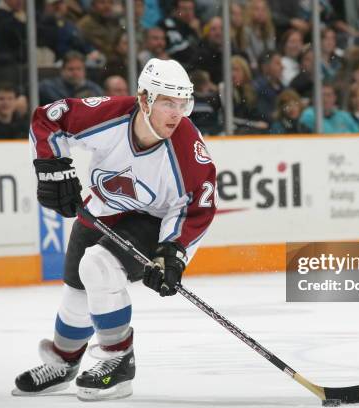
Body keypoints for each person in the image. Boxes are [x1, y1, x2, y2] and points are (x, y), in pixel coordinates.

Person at [13, 58, 217, 401]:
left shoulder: (186, 149)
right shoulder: (108, 115)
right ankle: (64, 362)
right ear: (144, 99)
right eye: (168, 102)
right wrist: (52, 166)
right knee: (77, 289)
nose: (176, 113)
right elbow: (48, 119)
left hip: (154, 219)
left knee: (98, 266)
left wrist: (173, 254)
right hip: (104, 208)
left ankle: (119, 361)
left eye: (182, 104)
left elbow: (198, 206)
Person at [39, 51, 104, 105]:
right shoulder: (48, 87)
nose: (75, 72)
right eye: (71, 69)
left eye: (79, 69)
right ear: (62, 70)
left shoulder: (94, 88)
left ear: (84, 70)